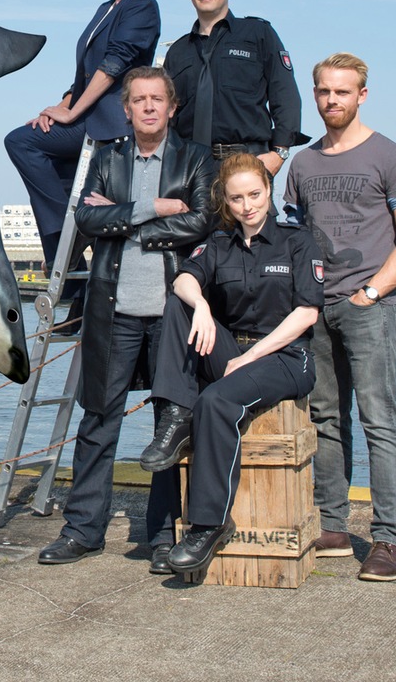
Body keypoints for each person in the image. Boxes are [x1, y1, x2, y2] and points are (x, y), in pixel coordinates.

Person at [36, 67, 215, 572]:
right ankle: (82, 530)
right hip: (112, 310)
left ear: (172, 107)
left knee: (169, 425)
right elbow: (88, 219)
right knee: (98, 419)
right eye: (140, 100)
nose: (150, 107)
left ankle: (162, 535)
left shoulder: (195, 158)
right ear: (127, 109)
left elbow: (202, 220)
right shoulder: (108, 158)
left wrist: (125, 218)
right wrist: (154, 207)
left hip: (172, 313)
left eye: (158, 99)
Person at [140, 154, 324, 574]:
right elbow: (183, 278)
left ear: (269, 191)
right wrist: (202, 304)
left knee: (217, 402)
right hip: (233, 348)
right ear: (226, 199)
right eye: (237, 198)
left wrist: (249, 358)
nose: (248, 206)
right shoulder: (219, 242)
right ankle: (175, 415)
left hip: (284, 356)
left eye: (255, 194)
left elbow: (306, 314)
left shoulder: (297, 242)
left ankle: (208, 525)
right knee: (179, 305)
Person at [284, 53, 396, 582]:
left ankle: (389, 538)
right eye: (323, 92)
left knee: (380, 420)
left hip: (369, 306)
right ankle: (335, 525)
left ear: (361, 95)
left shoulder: (391, 156)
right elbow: (297, 239)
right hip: (318, 308)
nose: (331, 101)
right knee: (325, 419)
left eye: (342, 92)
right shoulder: (303, 164)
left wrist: (371, 291)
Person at [5, 0, 161, 268]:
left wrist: (72, 111)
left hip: (110, 121)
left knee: (21, 142)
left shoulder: (142, 6)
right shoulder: (106, 8)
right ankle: (67, 257)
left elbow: (113, 66)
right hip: (86, 115)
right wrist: (62, 105)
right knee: (47, 168)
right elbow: (86, 72)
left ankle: (69, 236)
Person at [163, 0, 304, 176]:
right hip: (189, 171)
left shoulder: (258, 34)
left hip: (246, 163)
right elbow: (166, 117)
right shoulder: (177, 52)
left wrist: (279, 153)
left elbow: (285, 94)